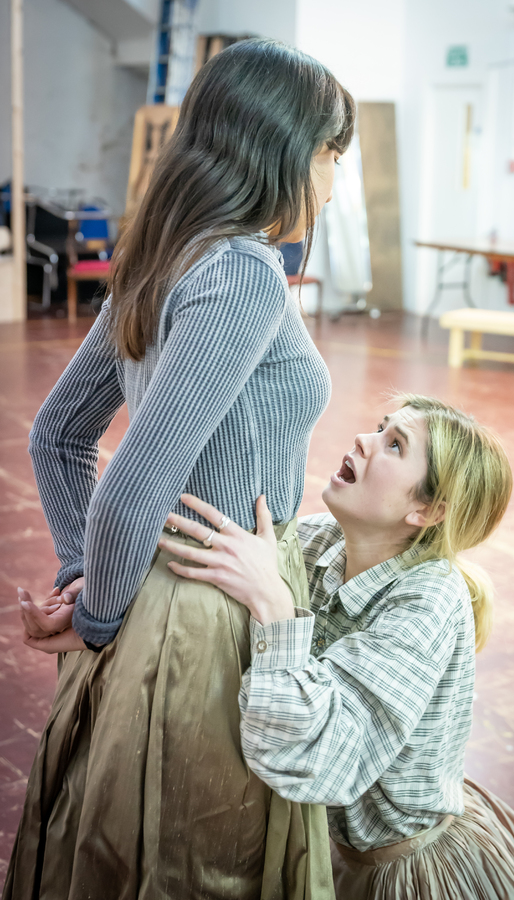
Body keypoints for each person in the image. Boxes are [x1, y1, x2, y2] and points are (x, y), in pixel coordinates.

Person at [7, 39, 354, 900]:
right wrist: (96, 613)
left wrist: (91, 579)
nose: (336, 180)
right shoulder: (243, 272)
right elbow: (126, 488)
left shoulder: (170, 253)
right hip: (210, 619)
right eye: (331, 154)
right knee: (200, 864)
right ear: (282, 150)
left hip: (167, 601)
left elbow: (56, 434)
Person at [156, 394, 514, 900]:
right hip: (336, 849)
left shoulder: (430, 599)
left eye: (394, 445)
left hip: (402, 871)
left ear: (427, 510)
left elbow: (320, 762)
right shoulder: (323, 541)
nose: (364, 441)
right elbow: (213, 569)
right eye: (379, 428)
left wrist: (274, 606)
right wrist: (97, 598)